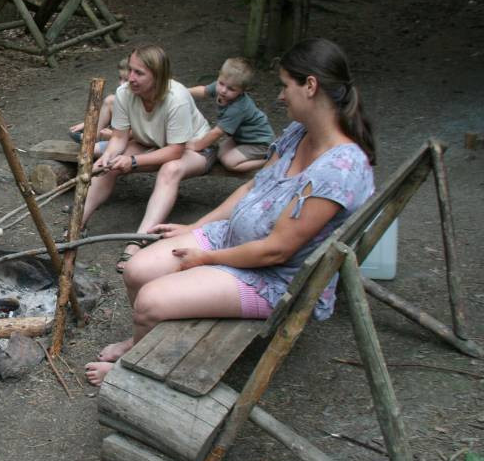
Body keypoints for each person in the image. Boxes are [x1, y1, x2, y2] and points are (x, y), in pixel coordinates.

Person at [85, 38, 375, 386]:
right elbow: (253, 187)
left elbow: (276, 251)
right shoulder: (300, 133)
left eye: (285, 86)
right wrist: (196, 226)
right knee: (137, 270)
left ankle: (134, 370)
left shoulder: (339, 170)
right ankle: (142, 342)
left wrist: (206, 258)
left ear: (310, 86)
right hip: (231, 237)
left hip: (271, 277)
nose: (280, 96)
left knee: (149, 300)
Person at [80, 45, 214, 272]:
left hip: (194, 149)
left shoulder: (177, 98)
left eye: (139, 73)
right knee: (110, 165)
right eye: (130, 70)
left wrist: (133, 161)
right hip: (152, 143)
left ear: (157, 75)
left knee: (170, 169)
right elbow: (119, 137)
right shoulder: (124, 93)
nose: (130, 78)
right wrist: (109, 156)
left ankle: (138, 241)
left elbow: (176, 151)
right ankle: (78, 223)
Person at [187, 57, 274, 172]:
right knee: (220, 153)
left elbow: (217, 133)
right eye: (221, 83)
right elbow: (204, 91)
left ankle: (271, 161)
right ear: (219, 76)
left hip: (259, 143)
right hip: (241, 138)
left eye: (231, 89)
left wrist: (196, 146)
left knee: (229, 162)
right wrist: (184, 90)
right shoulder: (224, 87)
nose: (223, 90)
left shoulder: (238, 108)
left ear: (242, 90)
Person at [68, 57, 130, 157]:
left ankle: (98, 139)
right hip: (121, 134)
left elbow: (140, 134)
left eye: (126, 80)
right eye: (120, 78)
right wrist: (88, 124)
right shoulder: (124, 94)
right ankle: (93, 134)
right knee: (110, 100)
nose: (121, 83)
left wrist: (113, 135)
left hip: (130, 140)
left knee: (93, 150)